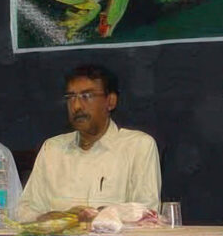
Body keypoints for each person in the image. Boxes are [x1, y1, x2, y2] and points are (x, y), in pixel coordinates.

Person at [17, 64, 161, 220]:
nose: (77, 106)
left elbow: (146, 213)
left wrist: (98, 217)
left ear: (110, 101)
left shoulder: (137, 146)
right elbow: (24, 211)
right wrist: (47, 219)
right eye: (71, 97)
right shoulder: (52, 149)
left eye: (87, 96)